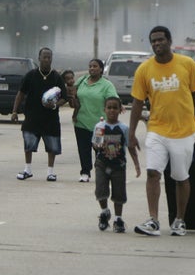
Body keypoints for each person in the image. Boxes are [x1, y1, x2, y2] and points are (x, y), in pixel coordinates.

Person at [128, 26, 195, 237]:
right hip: (157, 130)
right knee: (152, 172)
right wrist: (131, 133)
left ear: (169, 41)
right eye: (153, 41)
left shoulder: (187, 64)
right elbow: (137, 103)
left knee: (180, 177)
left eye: (160, 40)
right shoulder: (144, 70)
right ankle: (153, 220)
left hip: (184, 131)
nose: (157, 44)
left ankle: (179, 220)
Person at [12, 47, 67, 182]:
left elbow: (64, 97)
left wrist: (54, 105)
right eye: (44, 57)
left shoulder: (56, 77)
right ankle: (27, 170)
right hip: (32, 116)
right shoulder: (30, 76)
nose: (47, 60)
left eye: (49, 57)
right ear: (39, 58)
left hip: (50, 118)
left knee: (52, 146)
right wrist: (14, 111)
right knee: (29, 143)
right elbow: (20, 94)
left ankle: (50, 172)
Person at [92, 96, 141, 233]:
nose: (112, 111)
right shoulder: (100, 126)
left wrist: (137, 164)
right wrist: (97, 145)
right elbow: (95, 145)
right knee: (101, 189)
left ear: (120, 110)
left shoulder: (123, 128)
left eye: (115, 108)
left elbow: (130, 146)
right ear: (104, 110)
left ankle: (118, 219)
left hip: (118, 165)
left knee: (119, 191)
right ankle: (104, 212)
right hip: (102, 163)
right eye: (109, 108)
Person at [73, 58, 119, 183]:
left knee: (100, 149)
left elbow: (113, 99)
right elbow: (72, 93)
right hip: (81, 122)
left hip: (99, 125)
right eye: (90, 66)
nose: (92, 68)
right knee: (83, 149)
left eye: (95, 66)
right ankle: (85, 172)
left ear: (101, 69)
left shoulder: (106, 85)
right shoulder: (82, 80)